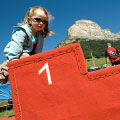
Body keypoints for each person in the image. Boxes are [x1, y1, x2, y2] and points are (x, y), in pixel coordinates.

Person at [0, 6, 54, 84]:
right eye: (38, 20)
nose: (41, 23)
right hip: (15, 53)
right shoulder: (21, 31)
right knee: (24, 56)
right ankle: (2, 70)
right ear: (29, 20)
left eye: (44, 21)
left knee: (28, 58)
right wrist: (14, 65)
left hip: (28, 55)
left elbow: (38, 52)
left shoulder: (40, 35)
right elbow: (15, 48)